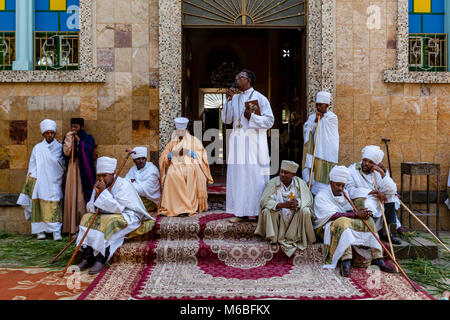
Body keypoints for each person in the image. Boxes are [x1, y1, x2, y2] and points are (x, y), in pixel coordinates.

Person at [313, 165, 396, 277]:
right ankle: (345, 260)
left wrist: (363, 212)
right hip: (324, 228)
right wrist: (355, 214)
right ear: (331, 182)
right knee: (342, 222)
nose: (341, 188)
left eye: (343, 185)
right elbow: (331, 216)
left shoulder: (345, 193)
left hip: (344, 221)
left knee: (369, 221)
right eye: (338, 185)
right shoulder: (321, 196)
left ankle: (377, 258)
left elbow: (354, 201)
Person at [75, 156, 153, 274]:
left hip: (128, 215)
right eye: (99, 176)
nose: (101, 179)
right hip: (107, 214)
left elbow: (118, 208)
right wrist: (97, 195)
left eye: (104, 175)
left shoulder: (123, 184)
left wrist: (102, 193)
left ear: (112, 174)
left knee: (109, 222)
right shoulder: (99, 184)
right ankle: (87, 256)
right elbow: (90, 207)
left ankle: (101, 258)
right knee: (86, 218)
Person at [222, 69, 275, 223]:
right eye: (236, 77)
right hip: (238, 145)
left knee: (255, 177)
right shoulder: (236, 99)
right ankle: (241, 212)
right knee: (239, 177)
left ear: (249, 80)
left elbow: (270, 121)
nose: (236, 80)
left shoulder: (260, 98)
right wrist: (229, 100)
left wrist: (252, 116)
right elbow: (226, 119)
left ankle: (258, 212)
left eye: (240, 77)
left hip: (255, 146)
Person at [17, 119, 66, 241]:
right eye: (47, 133)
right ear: (43, 134)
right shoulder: (37, 148)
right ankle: (40, 231)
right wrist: (32, 180)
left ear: (54, 133)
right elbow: (32, 166)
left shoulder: (59, 147)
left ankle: (55, 231)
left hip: (53, 182)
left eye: (52, 133)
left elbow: (62, 165)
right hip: (38, 182)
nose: (50, 135)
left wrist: (53, 162)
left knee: (52, 206)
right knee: (38, 205)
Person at [255, 160, 316, 257]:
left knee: (306, 211)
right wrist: (281, 205)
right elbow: (264, 201)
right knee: (267, 211)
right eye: (281, 171)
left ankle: (298, 237)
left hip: (295, 214)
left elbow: (308, 200)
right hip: (278, 213)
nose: (282, 174)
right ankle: (274, 238)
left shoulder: (300, 184)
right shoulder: (272, 183)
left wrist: (298, 203)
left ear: (293, 174)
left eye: (286, 173)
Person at [345, 145, 403, 244]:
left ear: (375, 164)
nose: (366, 164)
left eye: (370, 162)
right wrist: (373, 192)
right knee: (369, 204)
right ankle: (371, 234)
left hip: (378, 198)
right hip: (362, 197)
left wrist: (382, 172)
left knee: (391, 198)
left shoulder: (377, 172)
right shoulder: (352, 170)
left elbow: (391, 189)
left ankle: (387, 233)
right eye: (365, 160)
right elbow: (350, 190)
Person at [158, 117, 213, 217]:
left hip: (191, 165)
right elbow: (164, 156)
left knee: (188, 173)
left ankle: (186, 207)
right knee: (171, 174)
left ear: (186, 130)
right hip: (175, 165)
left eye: (182, 130)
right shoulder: (172, 142)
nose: (180, 132)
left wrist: (188, 152)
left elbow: (201, 156)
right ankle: (172, 207)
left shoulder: (194, 141)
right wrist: (173, 154)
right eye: (178, 130)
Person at [62, 118, 96, 235]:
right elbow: (66, 153)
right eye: (72, 127)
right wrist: (69, 139)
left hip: (83, 170)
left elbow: (90, 150)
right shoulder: (68, 137)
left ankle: (82, 226)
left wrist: (80, 143)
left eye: (75, 127)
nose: (73, 129)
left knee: (81, 198)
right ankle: (70, 228)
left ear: (81, 127)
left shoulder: (88, 138)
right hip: (72, 167)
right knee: (70, 195)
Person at [302, 91, 339, 196]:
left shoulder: (332, 117)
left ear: (327, 105)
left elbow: (332, 134)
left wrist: (321, 120)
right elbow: (307, 130)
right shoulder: (312, 117)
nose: (318, 107)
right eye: (317, 105)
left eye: (320, 105)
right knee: (315, 176)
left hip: (328, 152)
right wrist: (314, 121)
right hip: (316, 150)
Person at [125, 146, 161, 213]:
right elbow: (125, 183)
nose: (141, 161)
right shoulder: (133, 169)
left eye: (143, 158)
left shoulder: (152, 170)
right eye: (138, 159)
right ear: (134, 160)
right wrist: (132, 183)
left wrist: (132, 183)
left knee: (129, 209)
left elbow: (143, 190)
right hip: (135, 198)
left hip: (150, 200)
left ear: (146, 159)